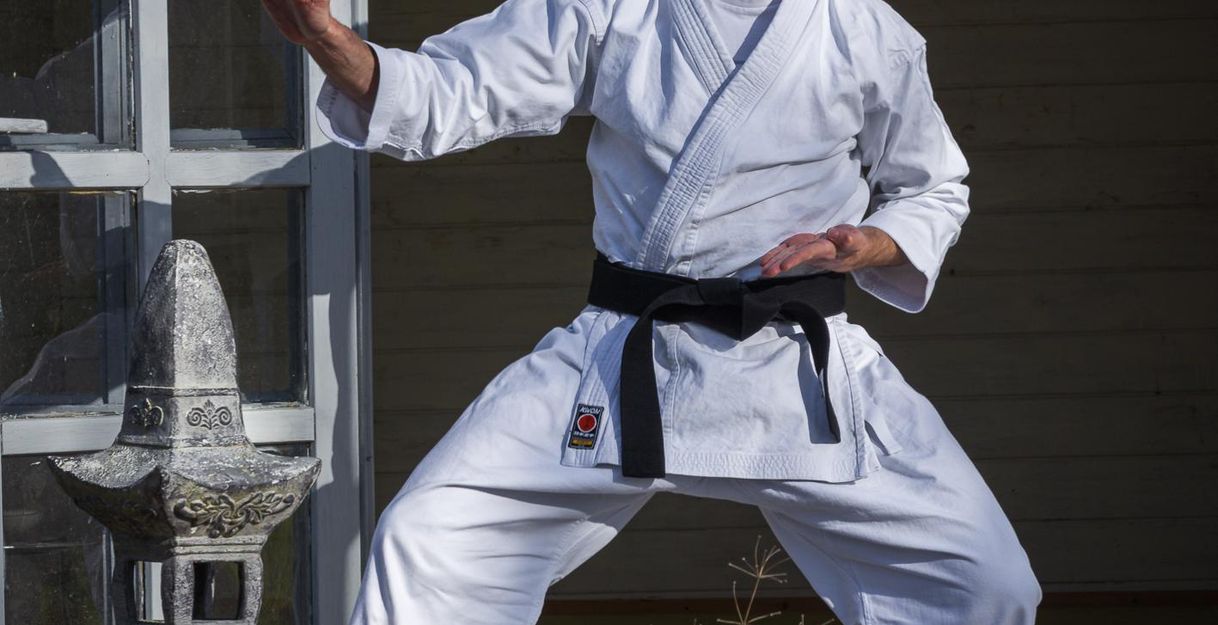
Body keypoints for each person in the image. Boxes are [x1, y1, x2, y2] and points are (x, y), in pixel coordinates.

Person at [261, 0, 1043, 623]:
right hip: (626, 354)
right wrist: (331, 40)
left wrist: (869, 243)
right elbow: (455, 89)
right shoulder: (610, 8)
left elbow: (934, 184)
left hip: (796, 365)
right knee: (430, 541)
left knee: (982, 581)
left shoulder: (864, 29)